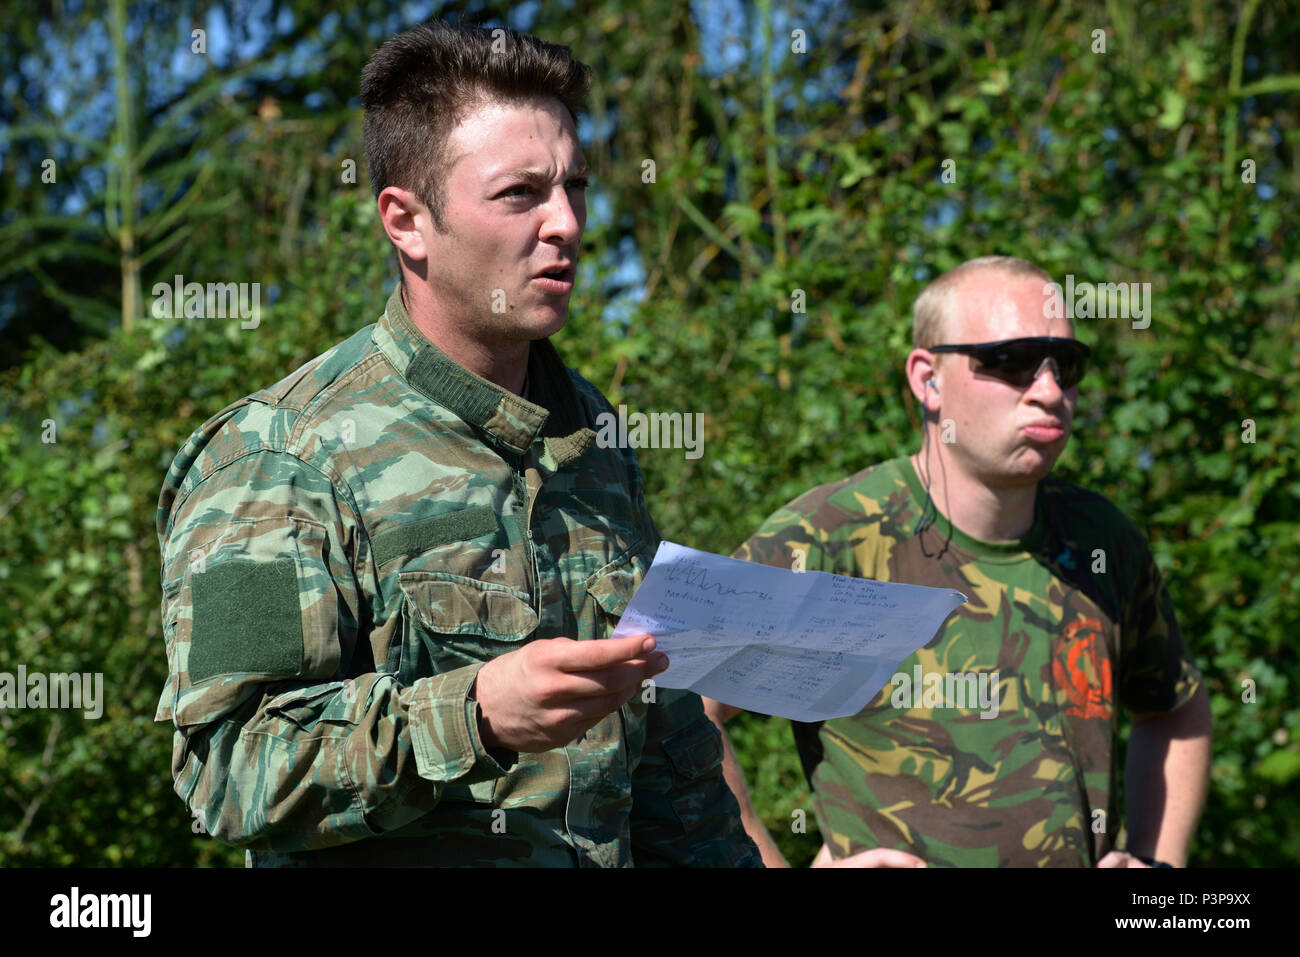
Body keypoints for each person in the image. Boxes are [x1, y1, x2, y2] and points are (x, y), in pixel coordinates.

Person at [154, 21, 760, 868]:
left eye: (575, 186)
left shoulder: (594, 440)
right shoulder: (276, 458)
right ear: (407, 221)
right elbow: (230, 769)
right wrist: (471, 713)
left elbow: (670, 765)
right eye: (521, 193)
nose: (567, 224)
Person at [705, 256, 1211, 868]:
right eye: (1012, 360)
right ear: (929, 379)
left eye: (1066, 365)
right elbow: (674, 693)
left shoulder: (1102, 541)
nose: (1050, 390)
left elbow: (1175, 706)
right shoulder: (834, 537)